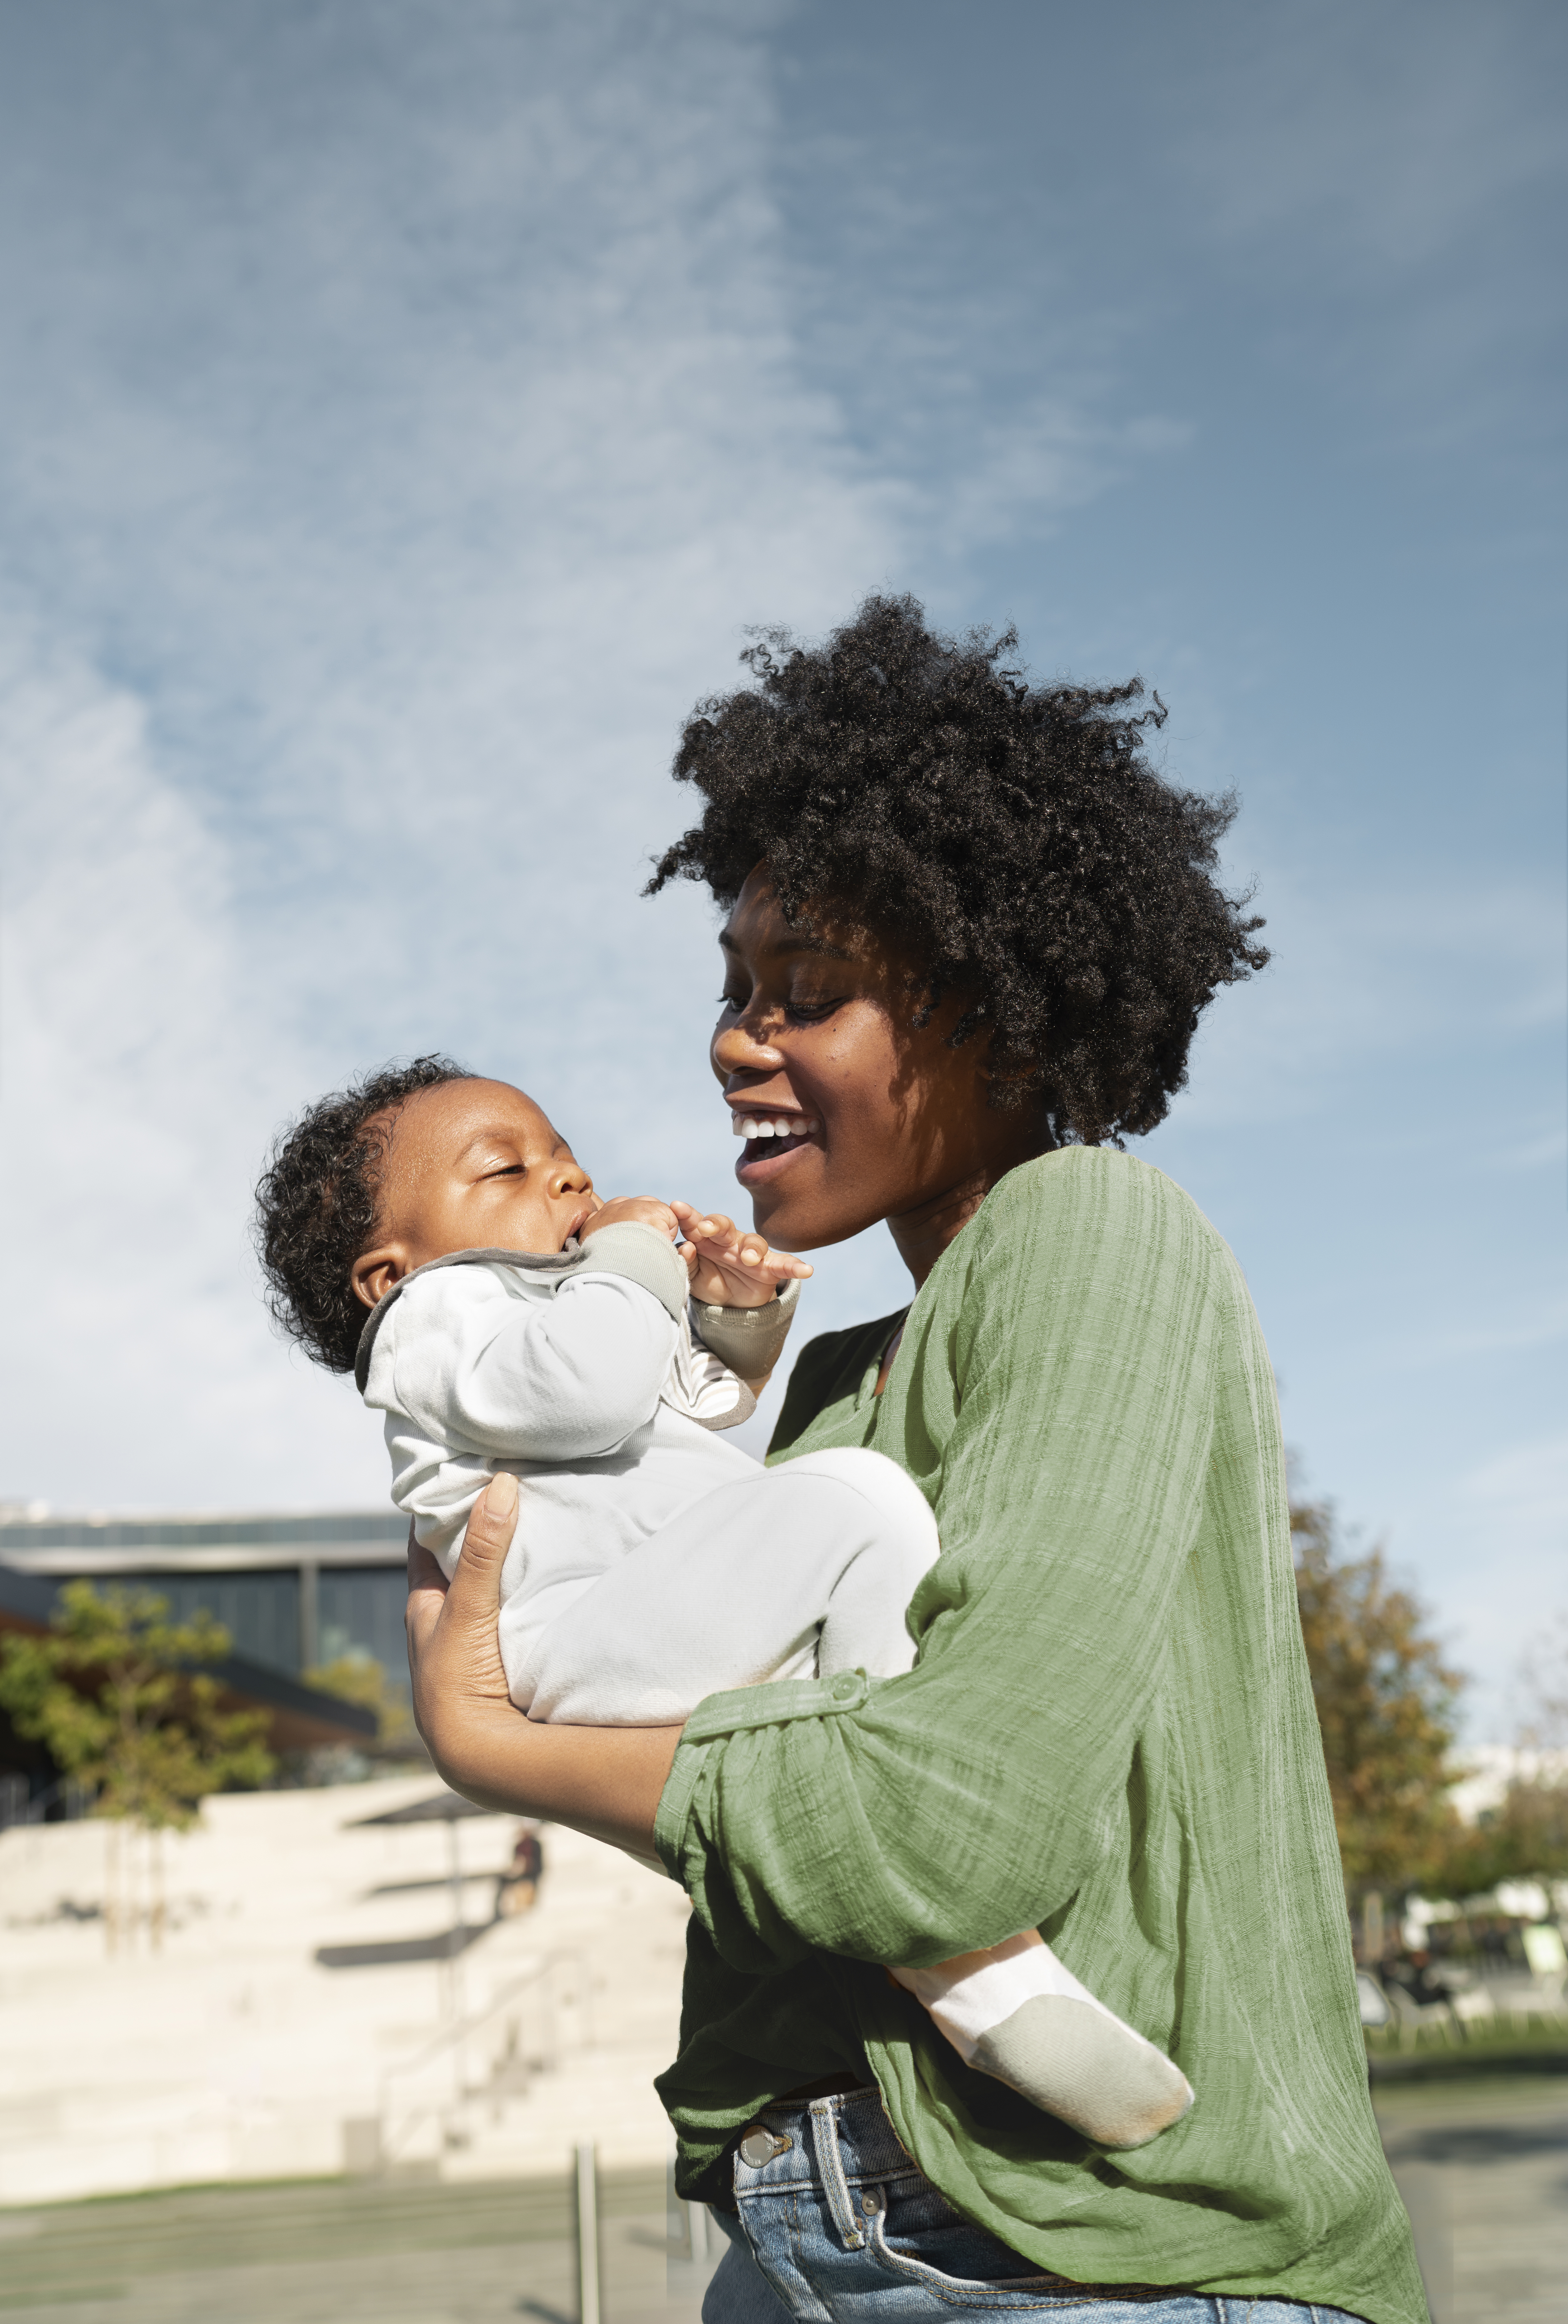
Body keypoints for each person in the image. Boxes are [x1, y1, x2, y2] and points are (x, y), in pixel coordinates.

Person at [401, 596, 1428, 2324]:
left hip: (1079, 2258)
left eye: (806, 994)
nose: (737, 1040)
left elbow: (950, 1827)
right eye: (733, 992)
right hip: (808, 2234)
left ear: (1001, 1017)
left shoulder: (1088, 1227)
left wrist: (500, 1742)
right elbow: (789, 1830)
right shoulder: (835, 1380)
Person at [255, 1063, 1192, 2147]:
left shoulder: (564, 1308)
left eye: (568, 1159)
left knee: (862, 1555)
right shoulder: (434, 1318)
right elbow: (591, 1390)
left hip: (660, 1610)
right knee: (862, 1503)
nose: (566, 1180)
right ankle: (937, 1910)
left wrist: (736, 1318)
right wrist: (633, 1252)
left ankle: (972, 1963)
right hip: (579, 1629)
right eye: (507, 1169)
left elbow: (690, 1400)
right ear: (388, 1270)